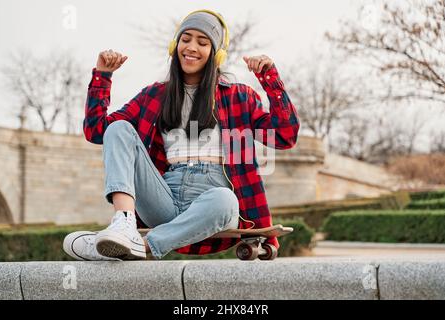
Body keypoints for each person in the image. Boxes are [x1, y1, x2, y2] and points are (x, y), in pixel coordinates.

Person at [63, 9, 300, 261]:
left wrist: (269, 78)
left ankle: (140, 246)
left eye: (203, 42)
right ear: (174, 45)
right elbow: (97, 130)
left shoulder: (238, 96)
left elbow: (285, 135)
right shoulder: (154, 95)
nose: (191, 47)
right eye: (186, 39)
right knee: (118, 128)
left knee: (225, 200)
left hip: (214, 201)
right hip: (164, 196)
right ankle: (123, 224)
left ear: (216, 53)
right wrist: (103, 76)